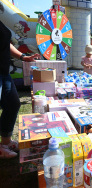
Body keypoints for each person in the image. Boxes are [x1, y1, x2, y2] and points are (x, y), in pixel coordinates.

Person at [0, 20, 41, 158]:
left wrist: (24, 57)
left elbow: (6, 44)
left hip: (3, 72)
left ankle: (5, 142)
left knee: (13, 104)